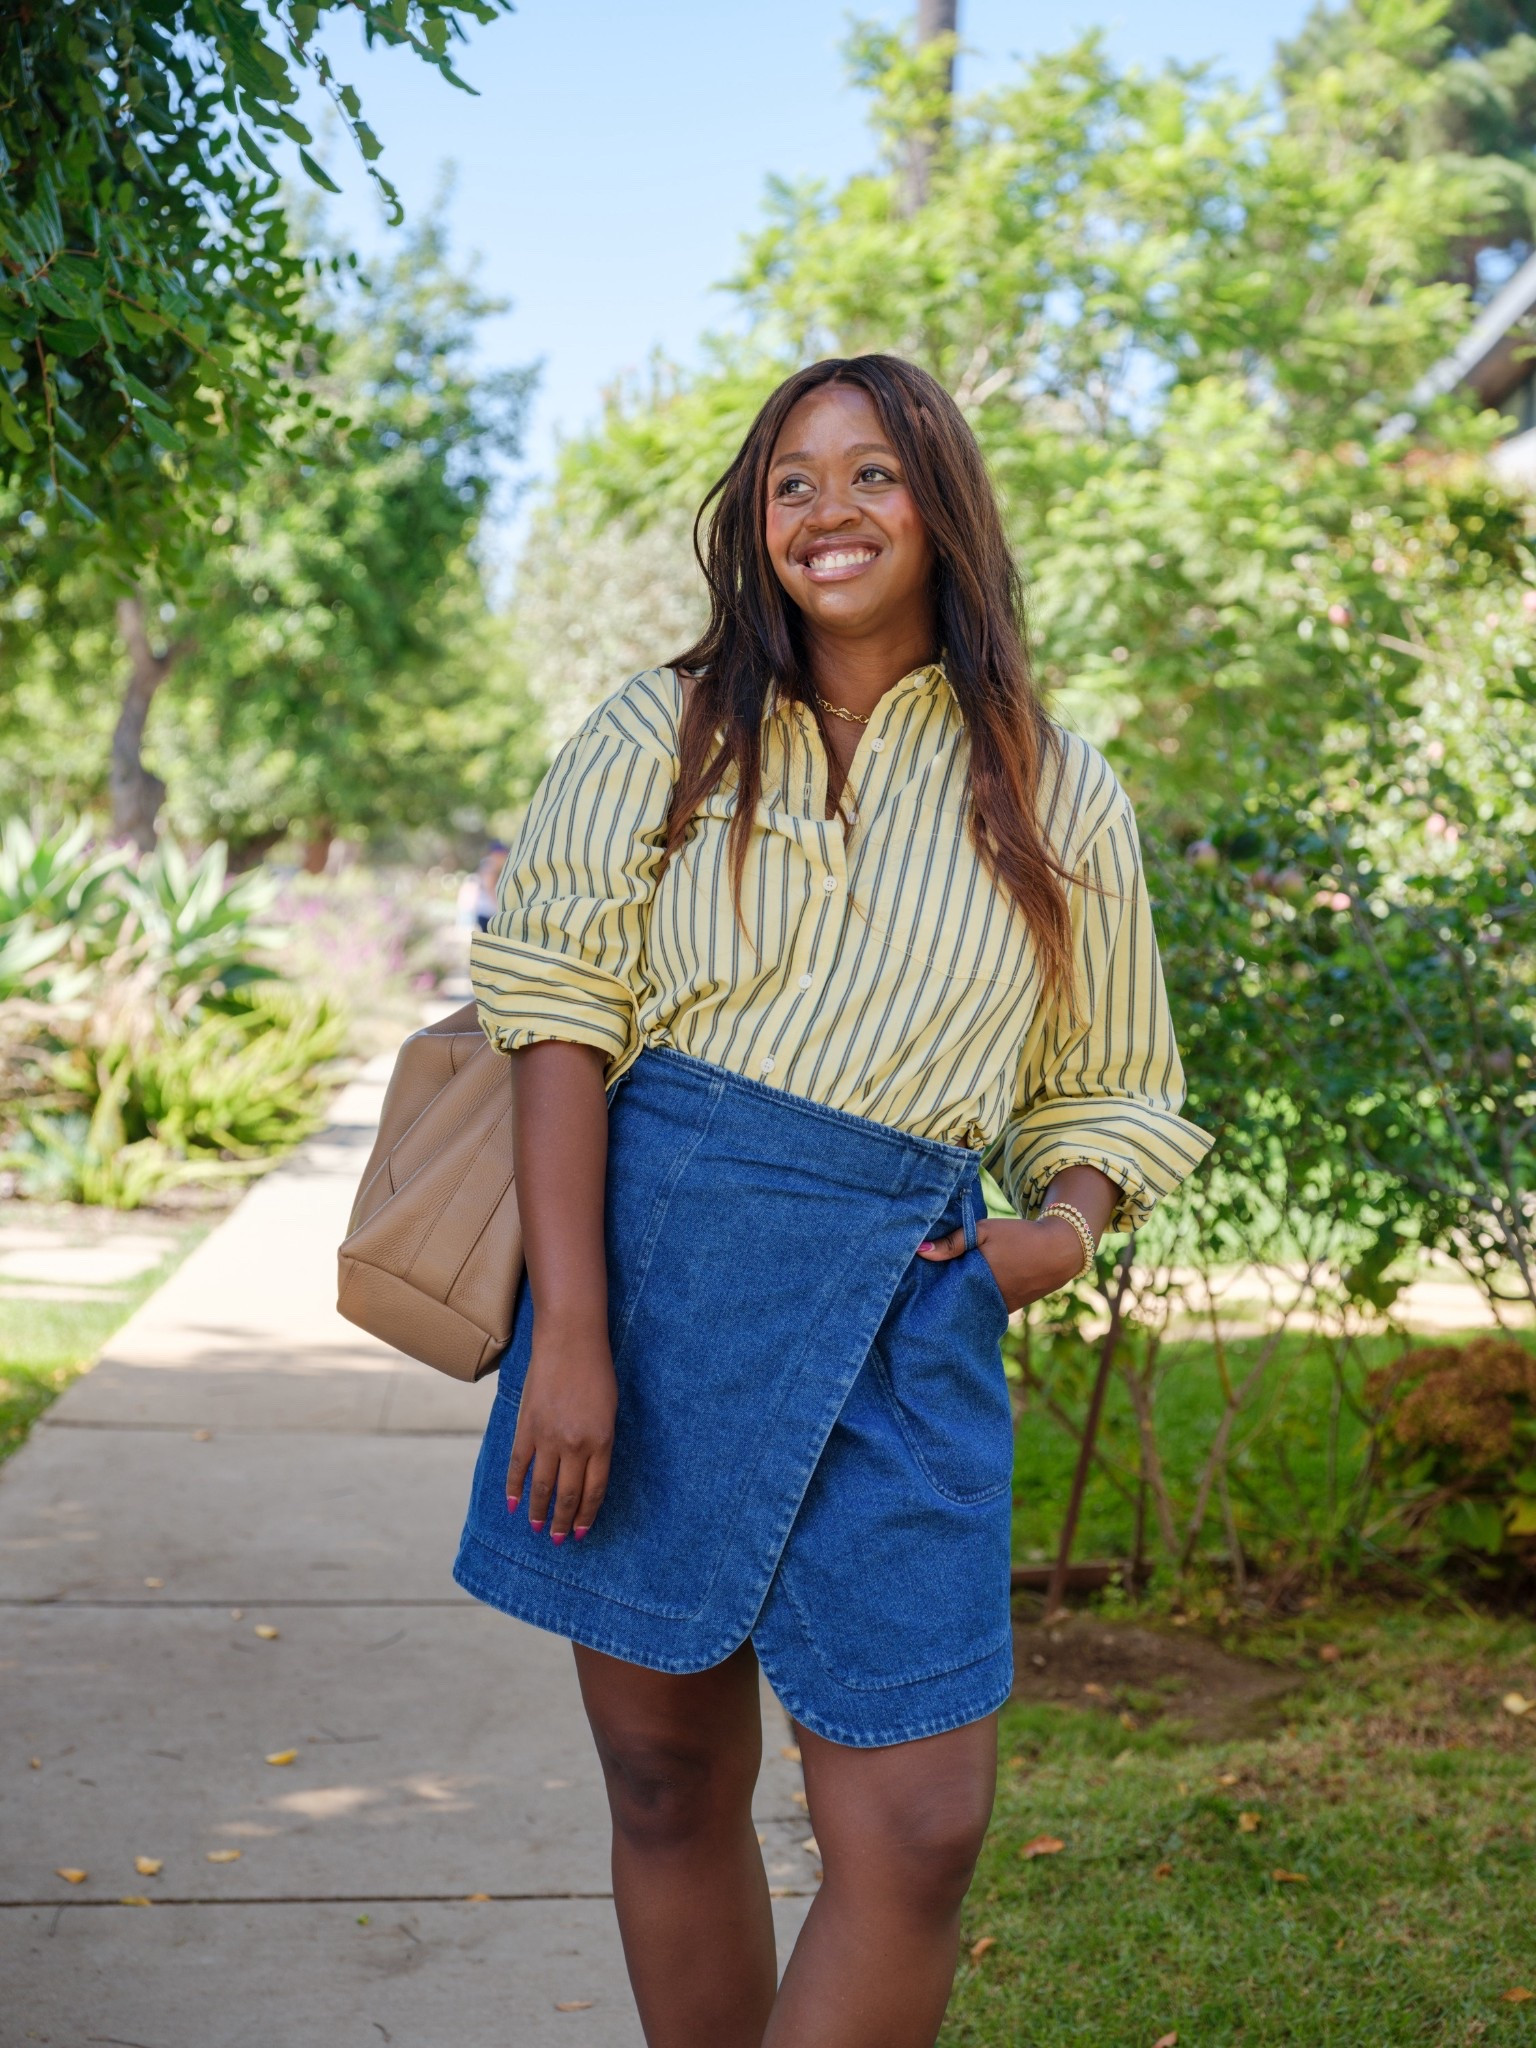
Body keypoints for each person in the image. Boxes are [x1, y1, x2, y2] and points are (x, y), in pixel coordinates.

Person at [455, 354, 1211, 2048]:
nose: (830, 512)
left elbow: (1117, 1082)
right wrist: (572, 1333)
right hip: (655, 1278)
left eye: (871, 475)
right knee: (665, 1774)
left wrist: (1058, 1231)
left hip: (909, 1290)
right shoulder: (656, 729)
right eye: (794, 482)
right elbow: (559, 1024)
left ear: (941, 507)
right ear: (755, 522)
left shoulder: (1054, 783)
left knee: (920, 1825)